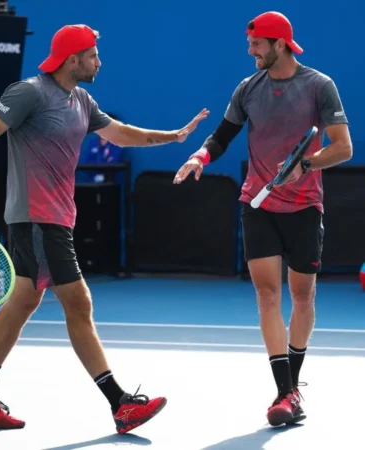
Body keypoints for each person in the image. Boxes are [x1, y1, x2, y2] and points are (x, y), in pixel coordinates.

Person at [0, 24, 209, 432]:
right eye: (93, 55)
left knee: (22, 303)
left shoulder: (81, 99)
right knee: (78, 302)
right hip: (36, 216)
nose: (99, 61)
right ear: (72, 59)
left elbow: (118, 134)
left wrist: (169, 137)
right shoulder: (28, 92)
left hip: (55, 218)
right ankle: (120, 403)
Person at [173, 11, 352, 427]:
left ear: (280, 44)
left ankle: (292, 384)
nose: (251, 51)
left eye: (257, 45)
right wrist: (199, 156)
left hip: (305, 207)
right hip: (258, 204)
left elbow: (343, 148)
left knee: (303, 297)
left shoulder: (319, 86)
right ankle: (284, 391)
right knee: (268, 296)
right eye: (250, 44)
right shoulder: (247, 88)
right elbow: (221, 136)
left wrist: (306, 164)